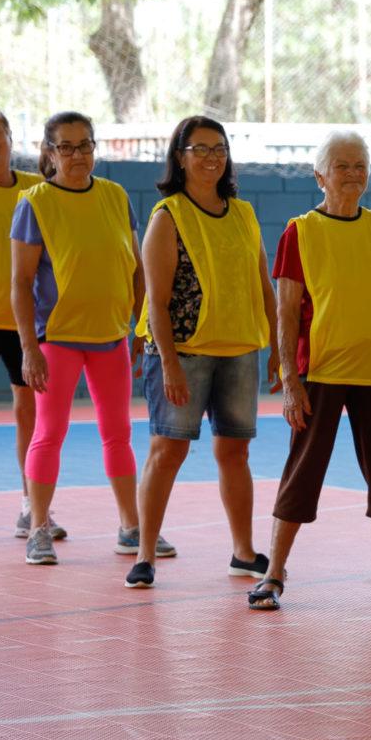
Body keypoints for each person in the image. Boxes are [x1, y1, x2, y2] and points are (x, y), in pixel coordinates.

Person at [247, 130, 371, 610]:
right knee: (302, 475)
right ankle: (274, 573)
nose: (353, 174)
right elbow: (285, 312)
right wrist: (289, 381)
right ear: (320, 176)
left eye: (360, 165)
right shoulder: (300, 232)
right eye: (342, 165)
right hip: (320, 373)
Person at [125, 116, 279, 589]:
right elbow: (157, 300)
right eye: (200, 148)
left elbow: (263, 286)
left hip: (238, 352)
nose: (212, 157)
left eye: (219, 148)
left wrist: (276, 349)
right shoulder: (168, 216)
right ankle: (145, 553)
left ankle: (243, 552)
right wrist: (168, 363)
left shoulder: (245, 213)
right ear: (180, 156)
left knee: (235, 451)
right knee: (166, 450)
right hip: (184, 353)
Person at [10, 111, 152, 565]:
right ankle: (38, 528)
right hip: (58, 339)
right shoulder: (35, 203)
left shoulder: (115, 196)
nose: (77, 155)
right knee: (49, 433)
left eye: (85, 145)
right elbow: (20, 282)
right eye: (66, 147)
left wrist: (141, 325)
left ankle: (132, 528)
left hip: (111, 337)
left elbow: (136, 268)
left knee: (119, 434)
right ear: (49, 153)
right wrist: (30, 348)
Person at [0, 106, 42, 538]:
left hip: (27, 323)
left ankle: (31, 506)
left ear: (10, 137)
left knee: (31, 414)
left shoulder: (36, 190)